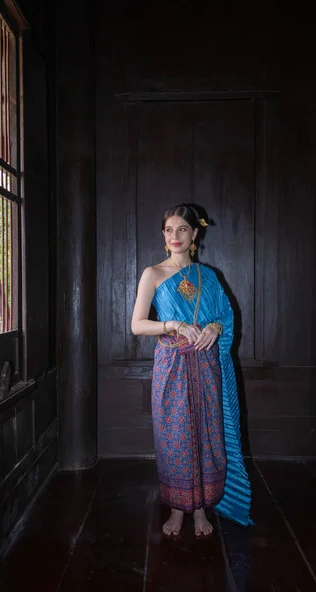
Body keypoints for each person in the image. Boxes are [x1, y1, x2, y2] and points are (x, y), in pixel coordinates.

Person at [131, 203, 253, 538]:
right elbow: (137, 325)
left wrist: (214, 327)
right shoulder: (153, 274)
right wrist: (172, 324)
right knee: (175, 436)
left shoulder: (209, 276)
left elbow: (226, 319)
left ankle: (202, 508)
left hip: (206, 365)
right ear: (163, 234)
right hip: (171, 367)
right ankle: (177, 508)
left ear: (195, 234)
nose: (175, 236)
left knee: (208, 433)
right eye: (169, 230)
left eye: (182, 229)